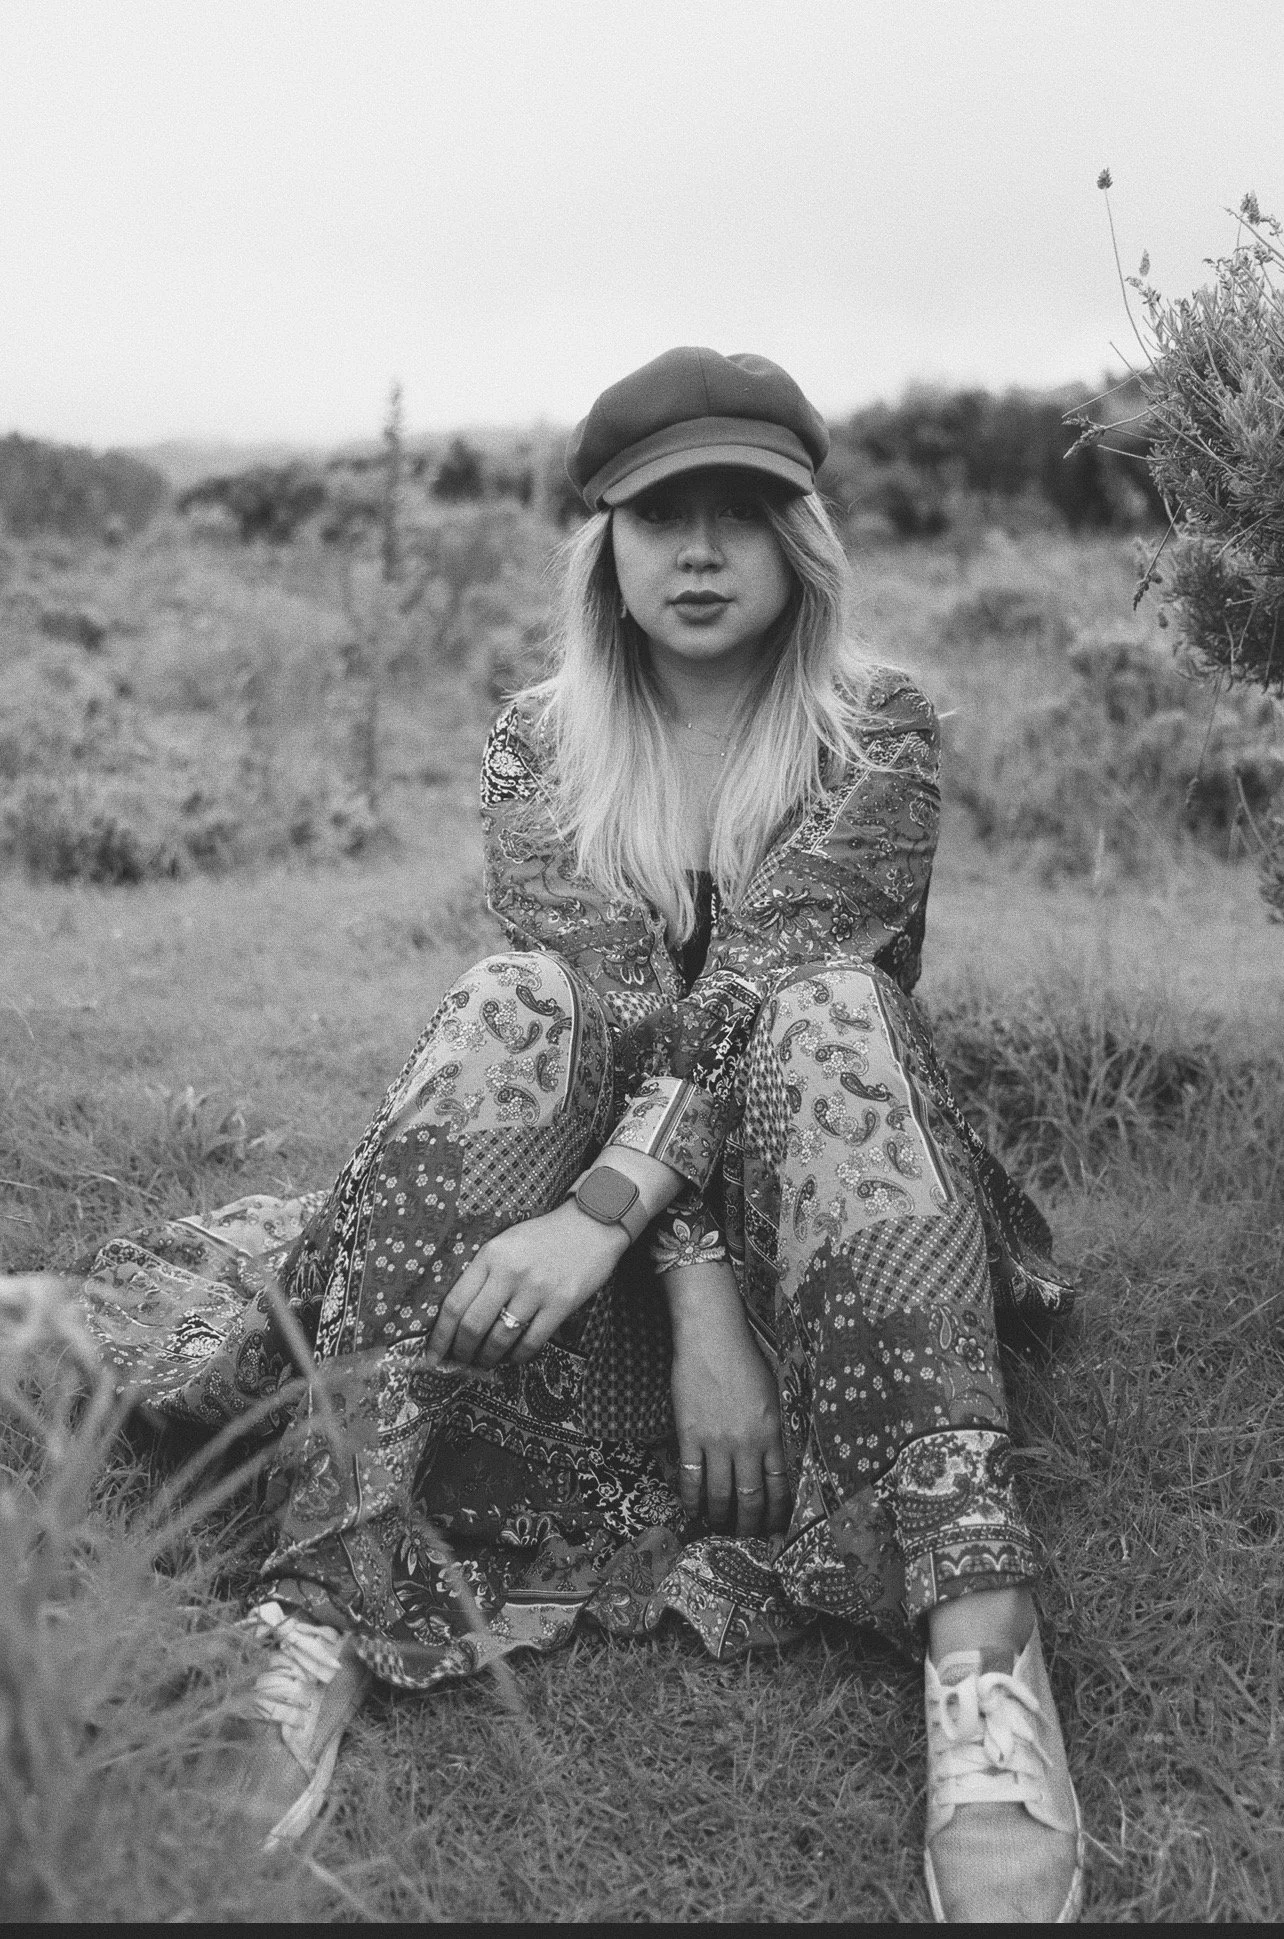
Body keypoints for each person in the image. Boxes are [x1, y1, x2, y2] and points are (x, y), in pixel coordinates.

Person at [70, 347, 1082, 1921]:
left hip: (828, 1214)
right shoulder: (540, 744)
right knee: (514, 997)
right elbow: (611, 1013)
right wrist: (671, 1282)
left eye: (740, 511)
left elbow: (744, 1006)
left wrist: (632, 1235)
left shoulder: (876, 725)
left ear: (799, 537)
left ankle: (981, 1649)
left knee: (826, 1009)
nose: (697, 550)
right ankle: (323, 1599)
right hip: (597, 1243)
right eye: (658, 511)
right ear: (600, 538)